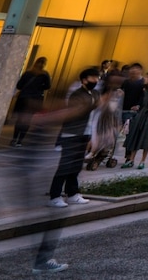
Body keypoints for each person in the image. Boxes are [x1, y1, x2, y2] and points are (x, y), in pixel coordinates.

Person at [48, 67, 99, 207]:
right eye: (92, 78)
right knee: (65, 165)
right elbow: (80, 111)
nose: (95, 80)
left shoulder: (94, 93)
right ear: (84, 80)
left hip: (85, 133)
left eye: (97, 78)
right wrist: (96, 104)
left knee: (76, 166)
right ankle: (55, 196)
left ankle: (72, 194)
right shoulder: (77, 95)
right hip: (71, 134)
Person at [12, 58, 52, 147]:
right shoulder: (45, 74)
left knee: (19, 119)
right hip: (35, 100)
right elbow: (48, 86)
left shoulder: (27, 73)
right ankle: (20, 141)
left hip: (23, 99)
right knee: (27, 120)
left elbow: (19, 85)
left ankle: (14, 139)